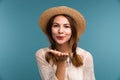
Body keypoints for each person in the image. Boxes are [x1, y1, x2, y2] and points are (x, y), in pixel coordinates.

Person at [35, 6, 96, 80]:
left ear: (72, 31)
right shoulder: (42, 54)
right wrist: (61, 62)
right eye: (56, 26)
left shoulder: (86, 56)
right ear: (50, 30)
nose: (60, 31)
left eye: (66, 26)